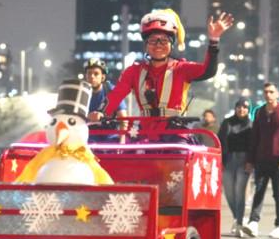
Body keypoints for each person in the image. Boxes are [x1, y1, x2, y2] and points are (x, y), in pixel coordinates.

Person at [89, 8, 234, 143]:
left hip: (176, 134)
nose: (158, 45)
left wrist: (214, 41)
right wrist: (100, 113)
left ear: (172, 44)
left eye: (164, 40)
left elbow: (208, 71)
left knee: (180, 163)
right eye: (152, 40)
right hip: (143, 134)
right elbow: (115, 95)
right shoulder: (133, 72)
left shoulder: (181, 69)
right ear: (145, 45)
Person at [243, 82, 279, 239]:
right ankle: (253, 222)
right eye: (266, 92)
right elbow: (254, 138)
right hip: (261, 159)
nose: (268, 94)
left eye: (271, 92)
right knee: (259, 191)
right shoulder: (260, 112)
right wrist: (250, 160)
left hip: (278, 160)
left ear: (277, 94)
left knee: (278, 194)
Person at [218, 97, 252, 238]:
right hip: (228, 159)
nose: (241, 109)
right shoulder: (227, 122)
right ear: (235, 108)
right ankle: (237, 217)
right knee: (229, 193)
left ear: (248, 110)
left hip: (244, 160)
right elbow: (219, 140)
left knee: (239, 192)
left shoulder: (251, 125)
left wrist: (251, 161)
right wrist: (220, 160)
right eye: (239, 106)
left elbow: (254, 144)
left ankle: (239, 223)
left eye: (244, 107)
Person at [84, 58, 128, 142]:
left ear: (103, 77)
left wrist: (122, 142)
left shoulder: (112, 91)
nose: (92, 76)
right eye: (89, 73)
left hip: (110, 134)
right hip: (87, 134)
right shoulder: (81, 92)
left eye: (96, 74)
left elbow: (123, 118)